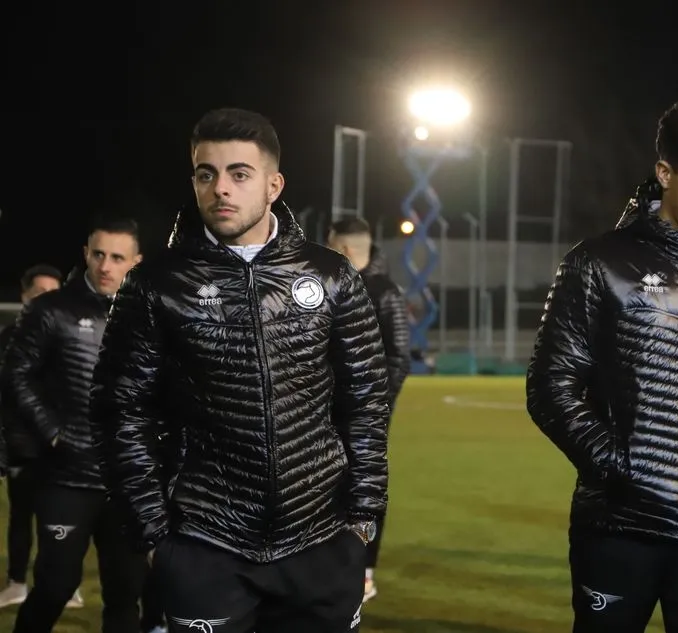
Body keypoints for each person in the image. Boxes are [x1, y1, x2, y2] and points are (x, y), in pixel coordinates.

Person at [91, 107, 391, 633]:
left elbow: (366, 398)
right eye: (206, 174)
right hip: (204, 542)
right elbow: (120, 410)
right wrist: (154, 534)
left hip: (320, 539)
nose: (221, 188)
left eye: (239, 173)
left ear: (274, 185)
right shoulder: (156, 283)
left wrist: (363, 517)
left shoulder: (331, 275)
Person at [526, 98, 678, 633]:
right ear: (665, 173)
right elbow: (550, 387)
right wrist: (621, 468)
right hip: (621, 528)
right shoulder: (599, 264)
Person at [4, 217, 147, 633]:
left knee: (125, 595)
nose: (105, 265)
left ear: (135, 262)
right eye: (98, 254)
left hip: (126, 483)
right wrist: (53, 433)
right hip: (67, 478)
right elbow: (16, 374)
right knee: (55, 587)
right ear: (86, 253)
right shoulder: (52, 309)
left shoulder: (149, 314)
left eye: (117, 257)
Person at [327, 217, 411, 603]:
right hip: (322, 413)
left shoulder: (385, 292)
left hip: (366, 417)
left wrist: (374, 410)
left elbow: (399, 357)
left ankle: (364, 574)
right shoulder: (327, 285)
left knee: (365, 488)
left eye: (331, 246)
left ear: (344, 249)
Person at [0, 265, 84, 610]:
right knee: (21, 516)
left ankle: (65, 585)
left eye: (54, 293)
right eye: (39, 293)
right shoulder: (8, 339)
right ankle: (17, 583)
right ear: (25, 297)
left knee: (62, 520)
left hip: (63, 447)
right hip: (24, 445)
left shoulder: (71, 335)